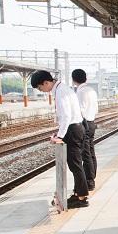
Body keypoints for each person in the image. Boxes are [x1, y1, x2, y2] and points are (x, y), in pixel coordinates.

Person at [30, 70, 88, 208]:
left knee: (75, 165)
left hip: (73, 130)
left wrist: (60, 136)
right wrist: (59, 133)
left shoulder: (61, 91)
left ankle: (81, 198)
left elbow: (66, 116)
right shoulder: (61, 89)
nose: (41, 90)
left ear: (46, 82)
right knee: (75, 165)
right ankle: (78, 194)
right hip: (75, 128)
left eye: (40, 88)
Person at [72, 69, 98, 192]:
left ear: (73, 80)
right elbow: (96, 109)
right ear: (85, 78)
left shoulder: (80, 92)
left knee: (86, 154)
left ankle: (89, 182)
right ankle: (92, 178)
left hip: (85, 123)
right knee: (91, 152)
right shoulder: (92, 90)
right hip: (92, 122)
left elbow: (80, 110)